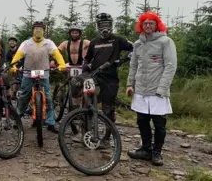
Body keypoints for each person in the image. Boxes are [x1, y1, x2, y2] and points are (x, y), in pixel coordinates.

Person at [71, 12, 134, 147]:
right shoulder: (94, 42)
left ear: (111, 25)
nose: (104, 27)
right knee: (76, 83)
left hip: (110, 78)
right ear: (98, 26)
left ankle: (106, 138)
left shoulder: (118, 40)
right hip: (94, 75)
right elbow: (87, 58)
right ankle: (80, 116)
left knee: (108, 109)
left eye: (107, 24)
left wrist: (122, 60)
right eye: (101, 25)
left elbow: (135, 48)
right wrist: (86, 65)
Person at [126, 12, 177, 166]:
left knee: (159, 123)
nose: (148, 26)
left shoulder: (165, 42)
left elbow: (170, 66)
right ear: (141, 25)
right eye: (145, 23)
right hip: (141, 90)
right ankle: (145, 149)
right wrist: (130, 84)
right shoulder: (138, 44)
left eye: (151, 23)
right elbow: (133, 65)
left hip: (157, 91)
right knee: (142, 121)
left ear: (157, 25)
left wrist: (162, 88)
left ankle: (157, 153)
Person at [11, 21, 66, 132]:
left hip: (43, 73)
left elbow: (56, 54)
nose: (38, 31)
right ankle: (18, 117)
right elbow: (18, 55)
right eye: (36, 29)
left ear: (43, 31)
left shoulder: (48, 43)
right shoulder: (26, 43)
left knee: (48, 98)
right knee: (24, 96)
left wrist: (62, 64)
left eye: (40, 29)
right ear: (33, 31)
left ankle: (50, 123)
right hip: (28, 73)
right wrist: (14, 65)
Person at [57, 23, 90, 107]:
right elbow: (56, 52)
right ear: (70, 33)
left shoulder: (85, 42)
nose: (74, 34)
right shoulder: (65, 43)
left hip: (82, 65)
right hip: (70, 65)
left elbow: (94, 46)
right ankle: (62, 94)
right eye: (73, 32)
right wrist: (54, 61)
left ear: (80, 33)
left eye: (76, 33)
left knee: (82, 84)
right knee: (70, 82)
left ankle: (83, 101)